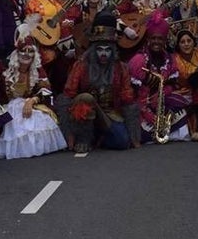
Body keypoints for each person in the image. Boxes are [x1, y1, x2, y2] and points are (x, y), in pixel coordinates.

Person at [0, 19, 66, 159]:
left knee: (39, 119)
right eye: (23, 51)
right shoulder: (4, 66)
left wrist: (32, 100)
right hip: (8, 106)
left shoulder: (37, 70)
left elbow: (47, 90)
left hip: (30, 104)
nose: (27, 54)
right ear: (17, 52)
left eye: (30, 51)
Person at [59, 12, 140, 153]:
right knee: (85, 99)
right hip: (83, 113)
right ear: (93, 50)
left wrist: (133, 136)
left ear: (113, 51)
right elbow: (67, 96)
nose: (104, 54)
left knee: (122, 142)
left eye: (108, 50)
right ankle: (84, 138)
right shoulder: (81, 65)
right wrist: (69, 135)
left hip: (109, 114)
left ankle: (98, 137)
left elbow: (128, 99)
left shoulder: (121, 68)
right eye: (100, 50)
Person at [128, 13, 191, 143]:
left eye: (160, 39)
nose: (157, 42)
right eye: (154, 38)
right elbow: (133, 94)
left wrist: (161, 97)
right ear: (148, 39)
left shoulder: (170, 59)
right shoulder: (138, 60)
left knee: (181, 103)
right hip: (141, 105)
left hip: (160, 101)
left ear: (165, 40)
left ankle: (164, 129)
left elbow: (172, 85)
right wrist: (147, 112)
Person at [171, 28, 198, 140]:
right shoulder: (174, 59)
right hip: (184, 91)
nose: (186, 44)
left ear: (194, 42)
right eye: (182, 42)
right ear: (178, 45)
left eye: (189, 41)